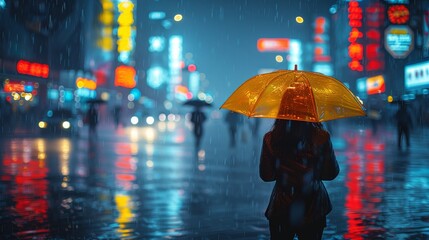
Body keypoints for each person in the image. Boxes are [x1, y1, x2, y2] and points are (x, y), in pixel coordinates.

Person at [259, 119, 340, 240]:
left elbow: (267, 176)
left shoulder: (271, 138)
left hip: (282, 206)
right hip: (313, 206)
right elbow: (330, 174)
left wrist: (283, 169)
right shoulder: (322, 137)